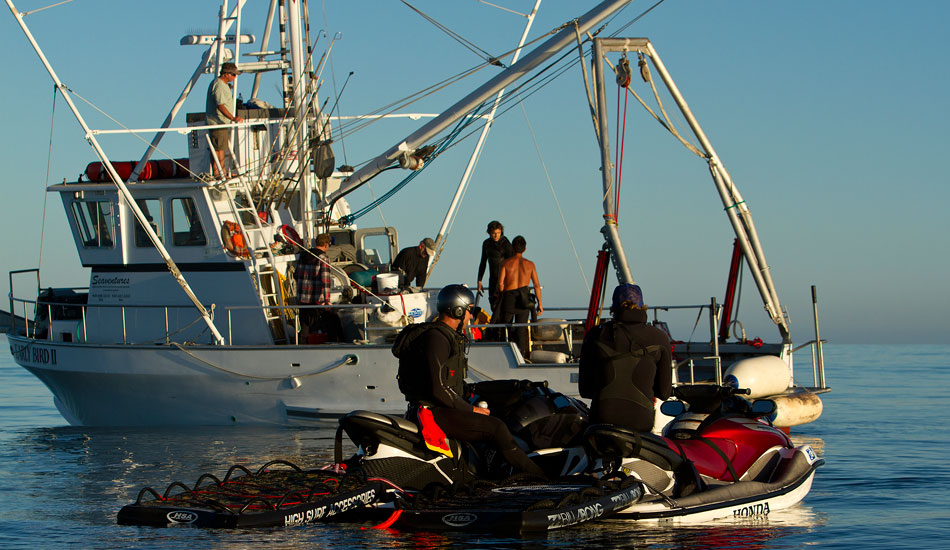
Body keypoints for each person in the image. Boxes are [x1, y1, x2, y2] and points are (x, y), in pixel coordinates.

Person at [392, 284, 545, 477]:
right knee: (497, 428)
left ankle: (494, 472)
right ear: (458, 310)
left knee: (499, 415)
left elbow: (454, 386)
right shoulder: (437, 338)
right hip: (432, 413)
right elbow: (438, 389)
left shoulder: (445, 336)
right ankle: (540, 477)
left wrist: (513, 387)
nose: (471, 316)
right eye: (469, 311)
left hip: (441, 408)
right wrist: (472, 410)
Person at [578, 283, 673, 432]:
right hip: (641, 421)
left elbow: (585, 390)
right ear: (642, 305)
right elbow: (664, 393)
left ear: (614, 307)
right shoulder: (659, 337)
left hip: (602, 420)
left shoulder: (595, 335)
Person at [495, 236, 542, 358]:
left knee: (507, 327)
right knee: (521, 329)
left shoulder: (505, 263)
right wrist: (540, 304)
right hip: (524, 299)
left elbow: (500, 284)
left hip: (509, 298)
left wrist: (500, 297)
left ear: (512, 247)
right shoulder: (530, 265)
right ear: (525, 249)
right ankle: (521, 356)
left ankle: (507, 356)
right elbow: (536, 285)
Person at [205, 62, 244, 178]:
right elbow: (220, 105)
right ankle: (219, 173)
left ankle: (221, 172)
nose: (234, 77)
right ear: (226, 74)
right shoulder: (219, 86)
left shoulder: (222, 85)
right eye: (233, 75)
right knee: (219, 149)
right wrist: (233, 118)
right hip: (218, 122)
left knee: (221, 148)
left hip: (220, 122)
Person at [295, 233, 335, 341]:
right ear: (326, 245)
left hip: (302, 298)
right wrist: (327, 300)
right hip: (316, 300)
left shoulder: (303, 255)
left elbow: (296, 275)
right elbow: (325, 281)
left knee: (304, 326)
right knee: (317, 325)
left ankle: (302, 345)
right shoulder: (323, 258)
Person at [476, 220, 513, 312]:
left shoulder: (506, 243)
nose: (496, 236)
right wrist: (479, 280)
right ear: (489, 233)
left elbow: (512, 264)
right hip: (492, 279)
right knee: (493, 307)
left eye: (498, 233)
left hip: (505, 281)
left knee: (505, 308)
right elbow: (483, 262)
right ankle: (497, 326)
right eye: (494, 233)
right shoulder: (486, 244)